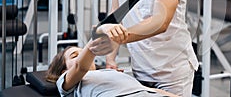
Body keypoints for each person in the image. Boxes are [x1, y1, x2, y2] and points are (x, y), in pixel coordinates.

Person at [46, 36, 178, 97]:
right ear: (64, 70)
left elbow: (143, 89)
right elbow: (80, 67)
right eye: (75, 56)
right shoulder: (67, 83)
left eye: (83, 53)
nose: (82, 56)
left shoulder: (109, 72)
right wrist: (98, 36)